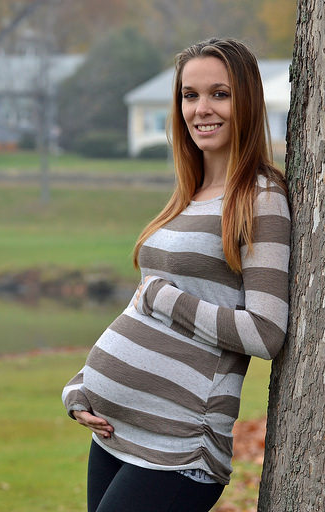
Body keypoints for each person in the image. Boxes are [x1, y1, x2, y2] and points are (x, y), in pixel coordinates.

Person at [62, 38, 290, 512]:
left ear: (246, 100)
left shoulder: (260, 198)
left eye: (219, 94)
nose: (201, 109)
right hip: (115, 432)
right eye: (190, 95)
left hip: (181, 445)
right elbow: (144, 300)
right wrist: (85, 382)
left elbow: (266, 332)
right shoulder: (190, 192)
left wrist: (168, 301)